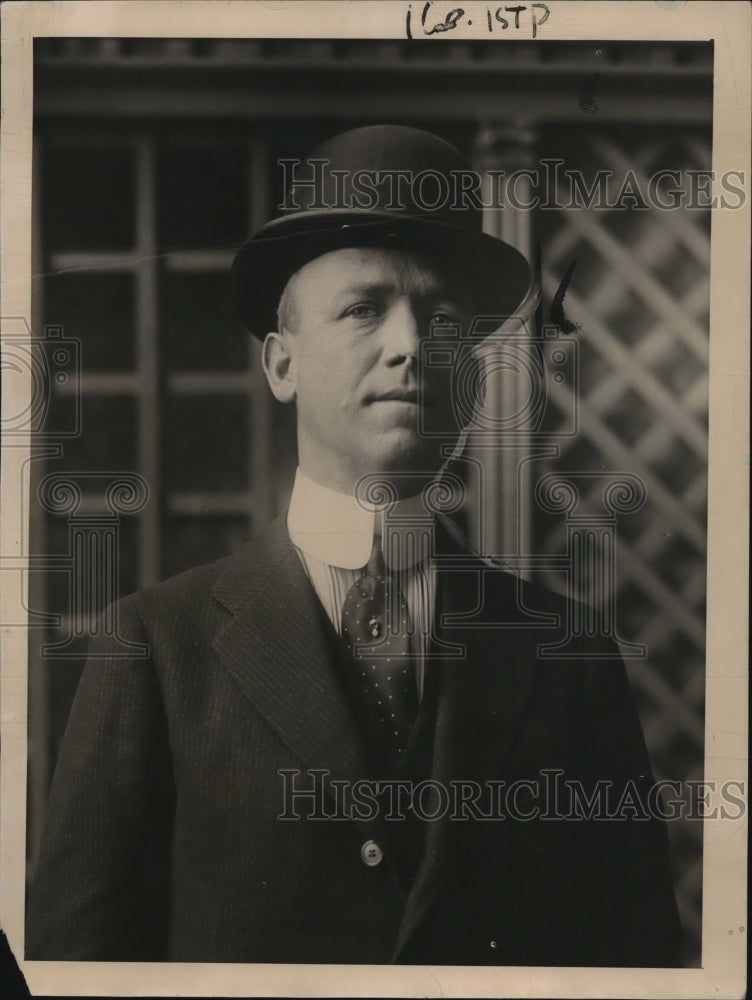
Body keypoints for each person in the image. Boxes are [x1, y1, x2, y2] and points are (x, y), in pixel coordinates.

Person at [26, 125, 681, 966]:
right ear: (281, 365)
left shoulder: (570, 654)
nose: (410, 346)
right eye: (363, 308)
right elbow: (74, 965)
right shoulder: (155, 644)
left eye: (443, 318)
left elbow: (638, 965)